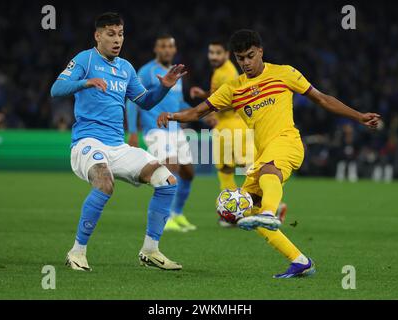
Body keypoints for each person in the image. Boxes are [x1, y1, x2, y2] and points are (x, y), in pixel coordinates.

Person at [157, 29, 381, 278]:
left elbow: (322, 99)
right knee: (247, 210)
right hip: (264, 152)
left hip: (288, 142)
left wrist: (359, 116)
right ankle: (300, 261)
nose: (246, 63)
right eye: (240, 58)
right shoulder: (233, 88)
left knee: (266, 176)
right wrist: (173, 116)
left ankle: (269, 213)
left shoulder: (284, 73)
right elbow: (198, 112)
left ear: (261, 51)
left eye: (250, 56)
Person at [50, 12, 187, 271]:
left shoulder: (125, 68)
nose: (117, 40)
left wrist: (165, 86)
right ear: (98, 35)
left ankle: (150, 251)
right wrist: (85, 82)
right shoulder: (85, 59)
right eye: (111, 34)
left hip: (118, 145)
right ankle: (77, 252)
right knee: (104, 183)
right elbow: (56, 89)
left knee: (167, 180)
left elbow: (144, 101)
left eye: (121, 34)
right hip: (87, 142)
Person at [190, 39, 287, 227]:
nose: (213, 57)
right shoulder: (223, 71)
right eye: (211, 53)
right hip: (232, 126)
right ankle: (237, 211)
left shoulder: (226, 73)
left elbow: (230, 102)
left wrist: (212, 113)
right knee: (239, 168)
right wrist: (205, 96)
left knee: (240, 169)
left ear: (227, 54)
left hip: (231, 127)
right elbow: (220, 98)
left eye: (218, 53)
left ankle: (249, 210)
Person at [127, 34, 196, 232]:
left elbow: (178, 102)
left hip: (176, 129)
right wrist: (132, 131)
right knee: (171, 165)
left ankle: (177, 213)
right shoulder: (147, 71)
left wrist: (200, 114)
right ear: (156, 49)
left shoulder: (176, 73)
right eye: (162, 46)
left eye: (170, 46)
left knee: (188, 172)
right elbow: (132, 100)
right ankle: (164, 218)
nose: (166, 50)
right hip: (156, 128)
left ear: (174, 50)